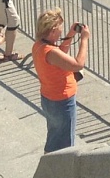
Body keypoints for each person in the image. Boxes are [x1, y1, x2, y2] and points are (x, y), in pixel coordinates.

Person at [32, 10, 90, 153]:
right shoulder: (51, 51)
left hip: (48, 97)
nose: (61, 32)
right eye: (60, 30)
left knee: (54, 135)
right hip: (62, 101)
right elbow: (78, 64)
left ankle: (49, 164)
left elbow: (60, 56)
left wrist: (70, 35)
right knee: (65, 142)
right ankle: (61, 171)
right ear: (52, 31)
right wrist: (84, 39)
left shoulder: (39, 45)